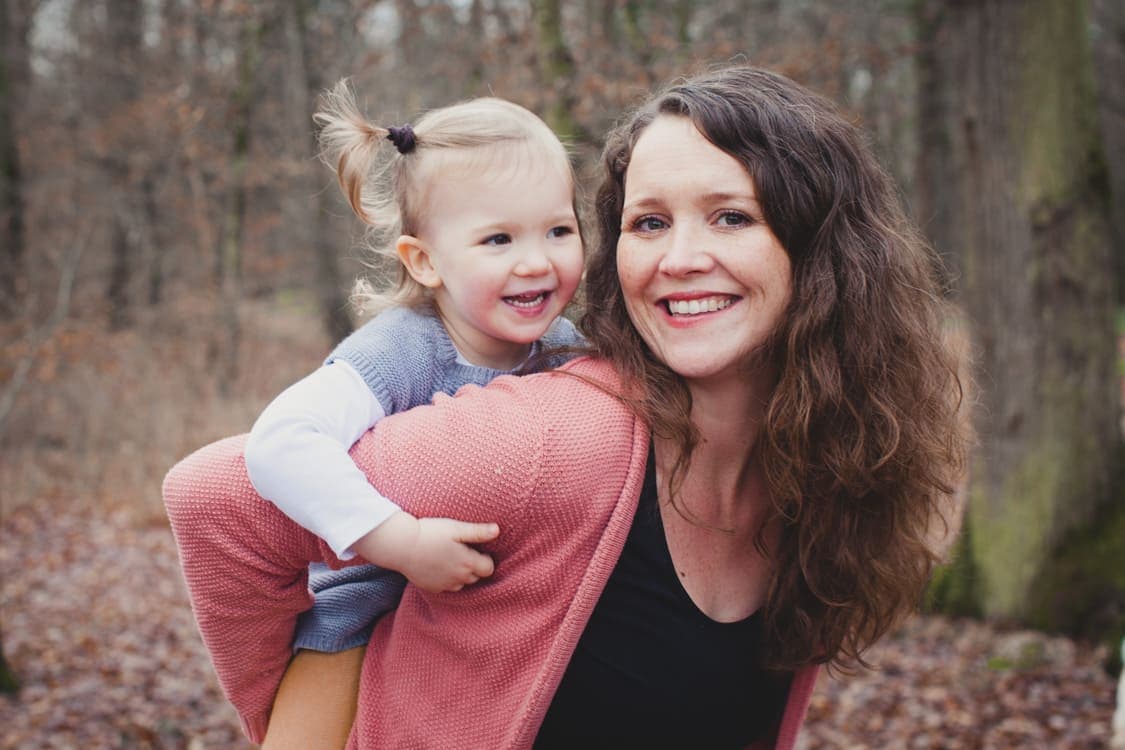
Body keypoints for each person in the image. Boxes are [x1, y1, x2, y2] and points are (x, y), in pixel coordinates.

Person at [164, 65, 966, 749]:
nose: (681, 258)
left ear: (823, 250)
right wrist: (308, 717)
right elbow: (219, 499)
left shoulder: (811, 460)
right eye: (648, 222)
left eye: (730, 216)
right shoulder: (550, 436)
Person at [236, 81, 585, 744]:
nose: (536, 260)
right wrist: (399, 543)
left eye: (559, 230)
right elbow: (280, 442)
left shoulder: (565, 349)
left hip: (493, 624)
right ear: (424, 261)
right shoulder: (401, 348)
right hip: (360, 617)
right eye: (498, 239)